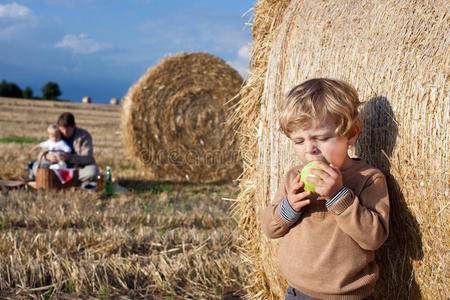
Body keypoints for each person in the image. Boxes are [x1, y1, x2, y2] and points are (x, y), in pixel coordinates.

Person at [261, 78, 390, 300]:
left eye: (321, 138)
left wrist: (338, 196)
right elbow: (270, 228)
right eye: (299, 141)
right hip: (296, 292)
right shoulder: (295, 177)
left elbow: (374, 237)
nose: (310, 150)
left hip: (347, 296)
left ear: (351, 134)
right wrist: (289, 207)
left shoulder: (367, 179)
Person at [31, 112, 98, 183]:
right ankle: (65, 180)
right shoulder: (56, 133)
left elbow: (89, 159)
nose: (65, 132)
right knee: (36, 167)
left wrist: (69, 157)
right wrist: (48, 156)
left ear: (74, 126)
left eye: (68, 129)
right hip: (54, 167)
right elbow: (40, 155)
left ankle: (56, 179)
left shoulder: (84, 136)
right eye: (62, 129)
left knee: (93, 170)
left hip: (75, 169)